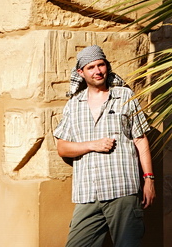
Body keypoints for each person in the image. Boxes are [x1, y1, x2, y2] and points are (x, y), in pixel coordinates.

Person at [54, 44, 156, 247]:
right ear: (81, 72)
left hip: (122, 189)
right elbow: (62, 147)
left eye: (101, 65)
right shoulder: (74, 105)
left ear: (107, 67)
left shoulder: (124, 96)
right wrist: (92, 145)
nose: (97, 71)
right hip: (87, 193)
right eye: (91, 67)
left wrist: (149, 179)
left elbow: (140, 139)